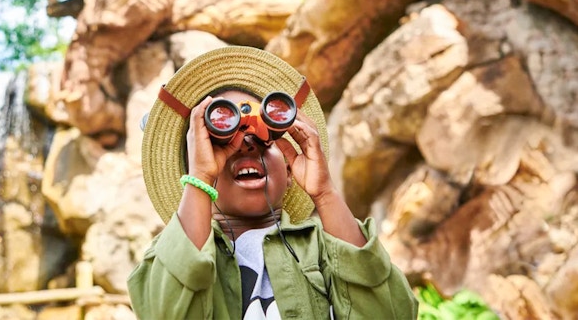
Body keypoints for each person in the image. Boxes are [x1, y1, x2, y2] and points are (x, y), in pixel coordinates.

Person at [127, 46, 418, 319]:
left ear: (290, 171)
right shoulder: (170, 255)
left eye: (264, 139)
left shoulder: (326, 247)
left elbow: (392, 312)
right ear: (192, 172)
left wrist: (325, 193)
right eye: (221, 141)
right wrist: (201, 176)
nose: (246, 145)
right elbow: (162, 311)